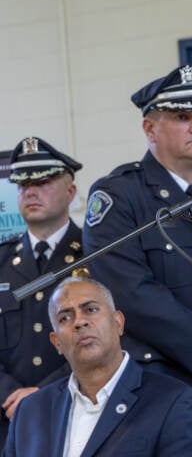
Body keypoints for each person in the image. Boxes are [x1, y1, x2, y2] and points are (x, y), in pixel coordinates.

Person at [82, 65, 192, 455]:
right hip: (168, 392)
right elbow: (132, 293)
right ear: (150, 129)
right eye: (182, 117)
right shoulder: (120, 197)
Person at [3, 277, 192, 456]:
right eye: (65, 317)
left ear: (118, 323)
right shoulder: (30, 412)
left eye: (90, 310)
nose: (79, 322)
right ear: (56, 342)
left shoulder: (172, 401)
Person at [0, 137, 84, 447]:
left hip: (76, 409)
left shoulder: (95, 255)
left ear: (71, 191)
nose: (30, 192)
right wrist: (9, 393)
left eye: (43, 181)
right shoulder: (2, 260)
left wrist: (45, 391)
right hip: (8, 419)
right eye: (22, 184)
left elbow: (115, 337)